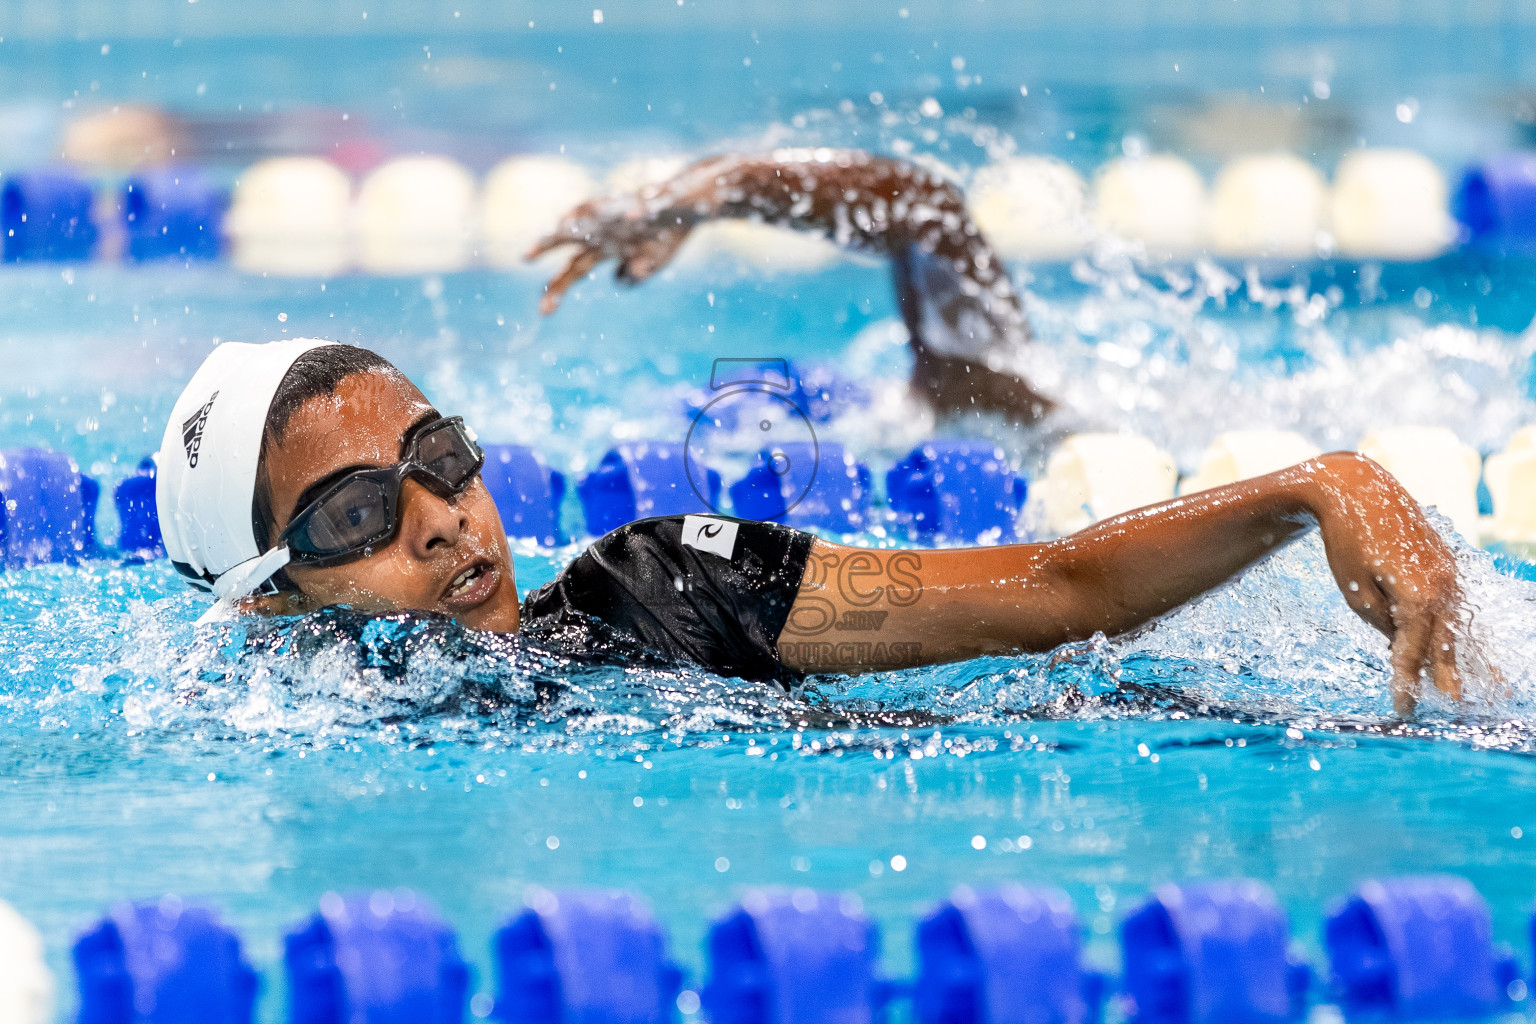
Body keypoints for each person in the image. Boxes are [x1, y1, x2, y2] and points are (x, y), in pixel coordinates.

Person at [157, 338, 1474, 715]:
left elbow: (1052, 587)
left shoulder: (664, 588)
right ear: (270, 598)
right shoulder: (257, 740)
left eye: (439, 455)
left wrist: (1323, 486)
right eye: (360, 513)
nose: (441, 521)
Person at [529, 148, 1055, 424]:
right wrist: (691, 199)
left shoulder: (1029, 408)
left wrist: (696, 197)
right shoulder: (916, 401)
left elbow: (930, 206)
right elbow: (919, 208)